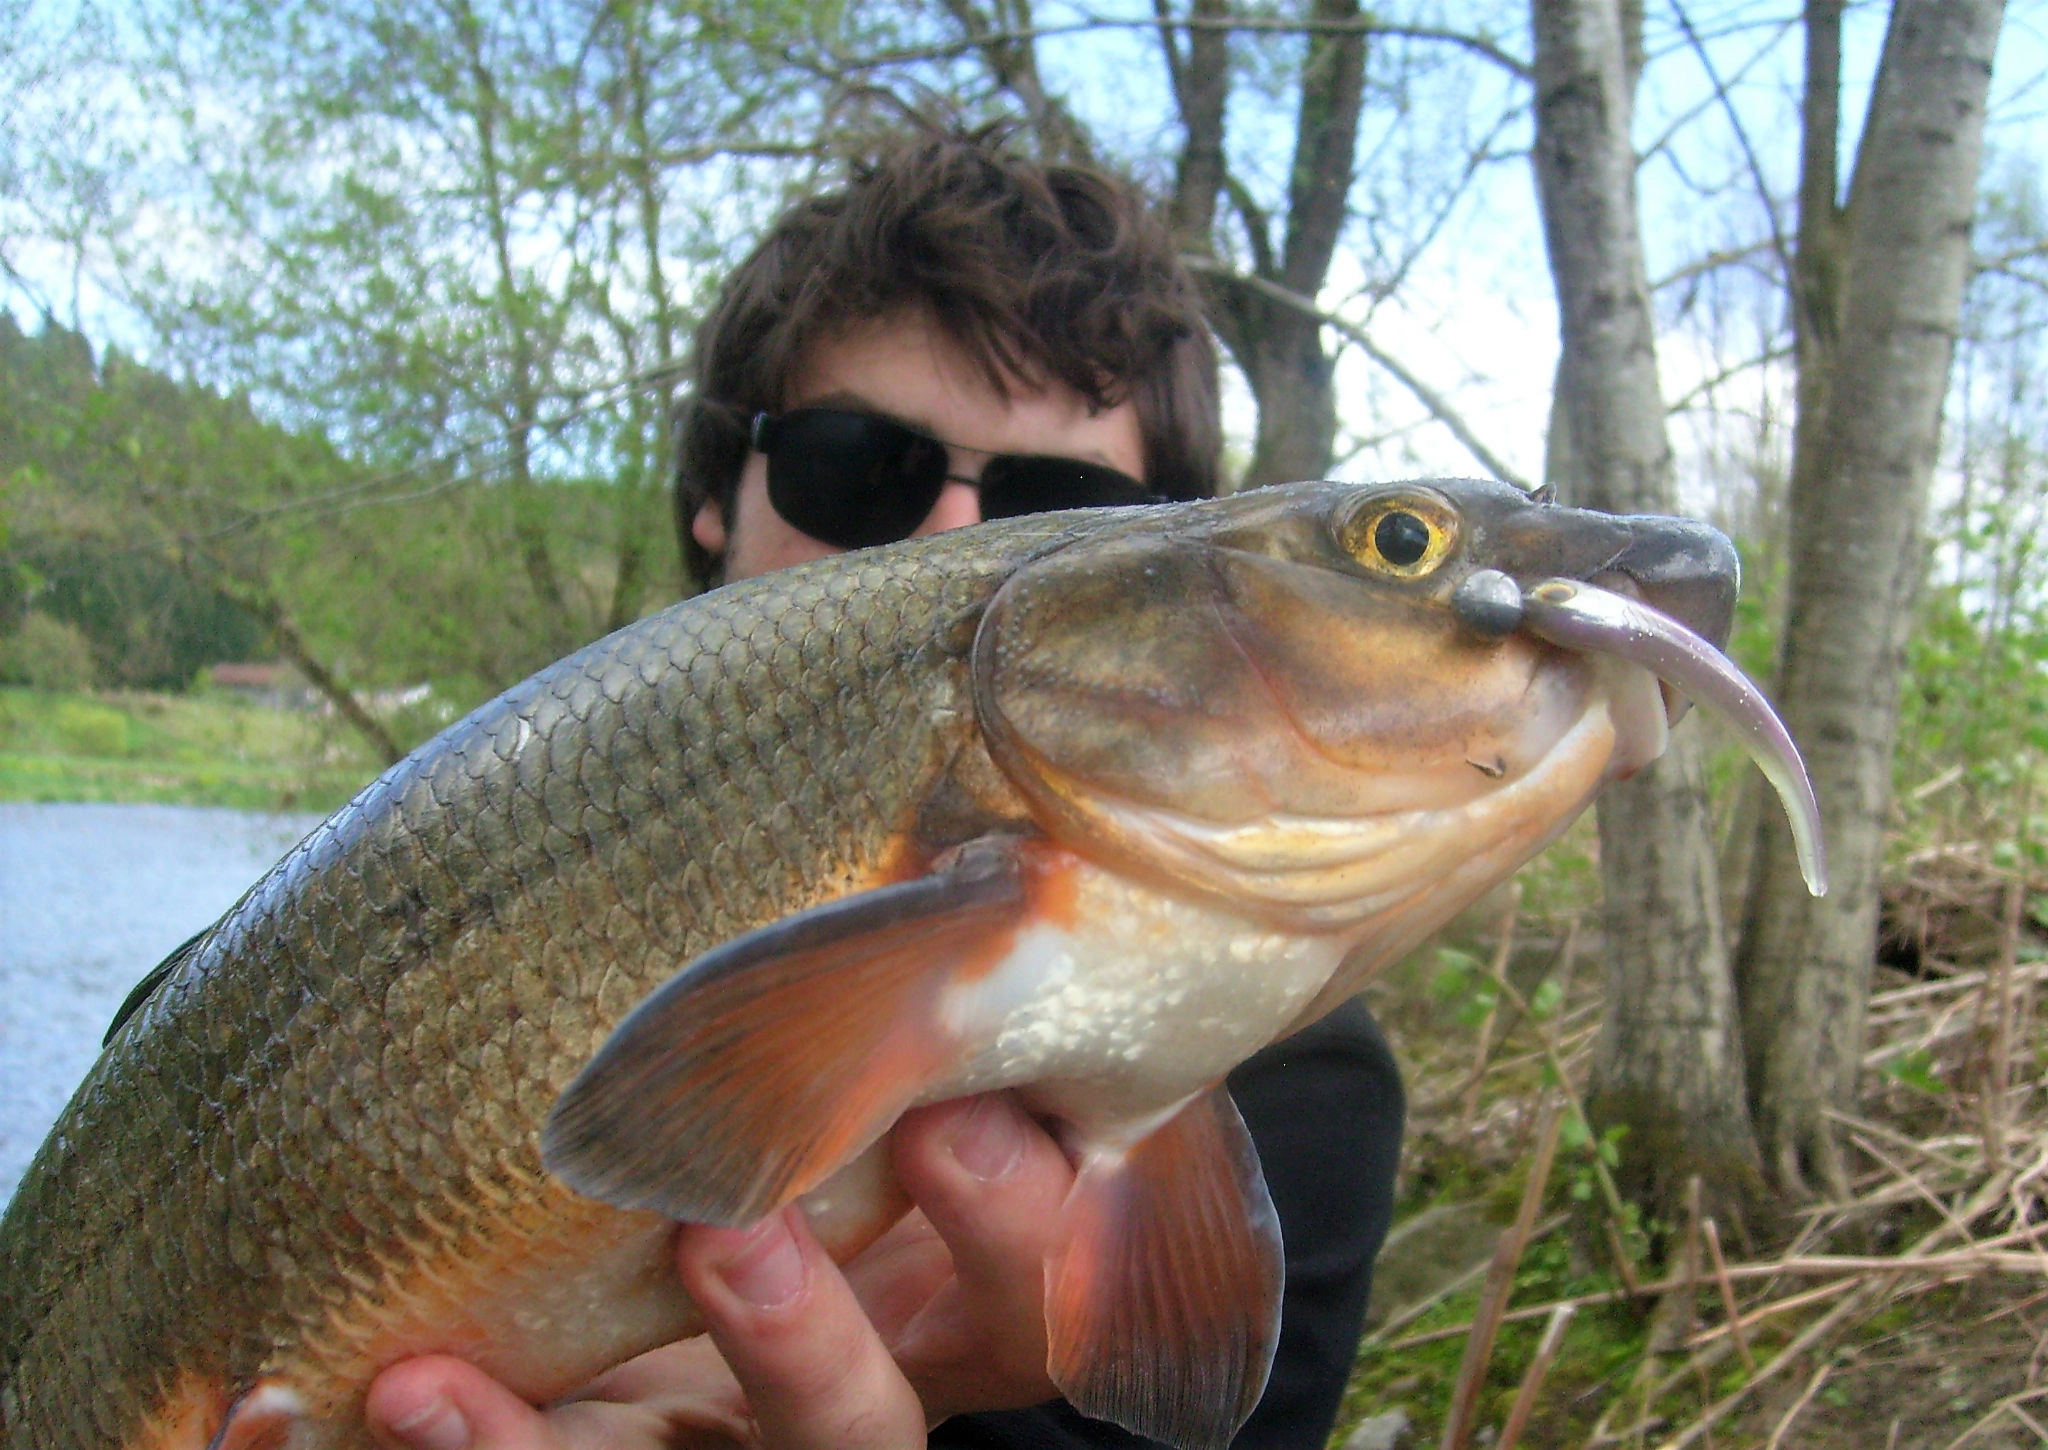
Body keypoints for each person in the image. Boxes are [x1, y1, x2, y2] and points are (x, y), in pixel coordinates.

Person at [366, 126, 1405, 1450]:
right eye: (857, 466)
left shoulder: (1302, 1081)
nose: (952, 546)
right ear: (712, 500)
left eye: (1054, 511)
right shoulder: (420, 885)